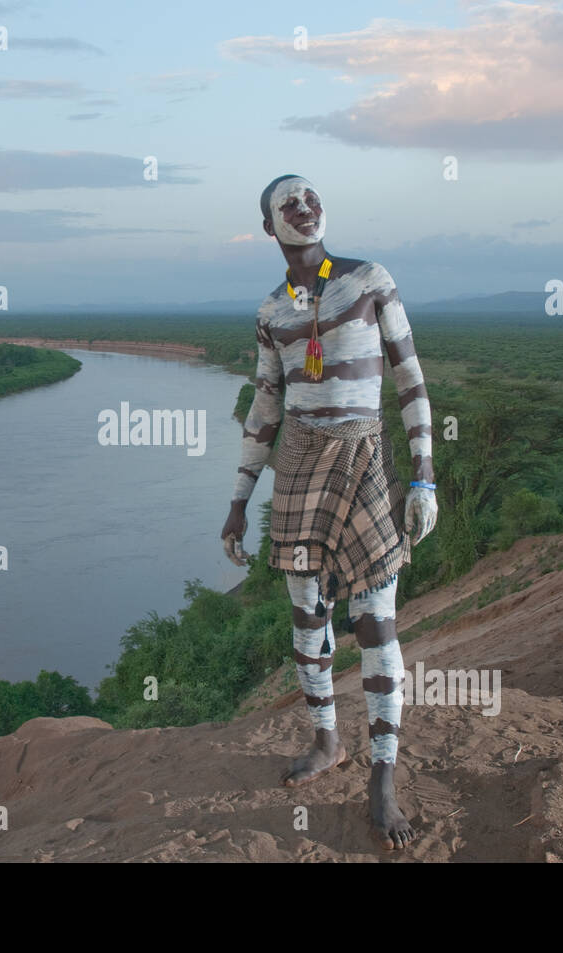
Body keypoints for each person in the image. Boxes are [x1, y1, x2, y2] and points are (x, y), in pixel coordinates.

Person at [220, 174, 438, 850]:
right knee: (307, 614)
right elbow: (265, 409)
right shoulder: (272, 312)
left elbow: (409, 378)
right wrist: (237, 500)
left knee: (375, 619)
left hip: (365, 459)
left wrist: (424, 476)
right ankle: (326, 741)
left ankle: (383, 775)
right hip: (299, 467)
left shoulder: (371, 281)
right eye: (289, 203)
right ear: (270, 228)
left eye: (311, 197)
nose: (305, 207)